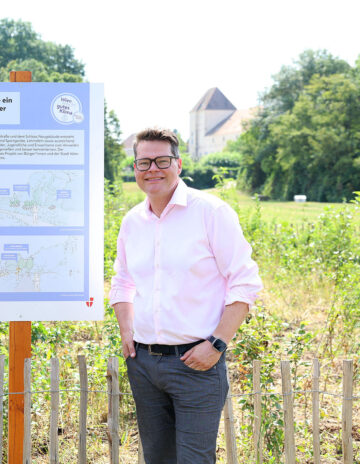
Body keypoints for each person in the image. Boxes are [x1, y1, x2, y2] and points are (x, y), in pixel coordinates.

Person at [109, 128, 262, 463]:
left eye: (162, 161)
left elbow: (245, 282)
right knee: (158, 458)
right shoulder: (132, 222)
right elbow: (122, 281)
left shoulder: (211, 212)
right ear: (134, 168)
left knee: (194, 459)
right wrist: (126, 332)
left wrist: (218, 343)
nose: (153, 169)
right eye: (144, 162)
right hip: (144, 364)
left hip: (197, 363)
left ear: (178, 164)